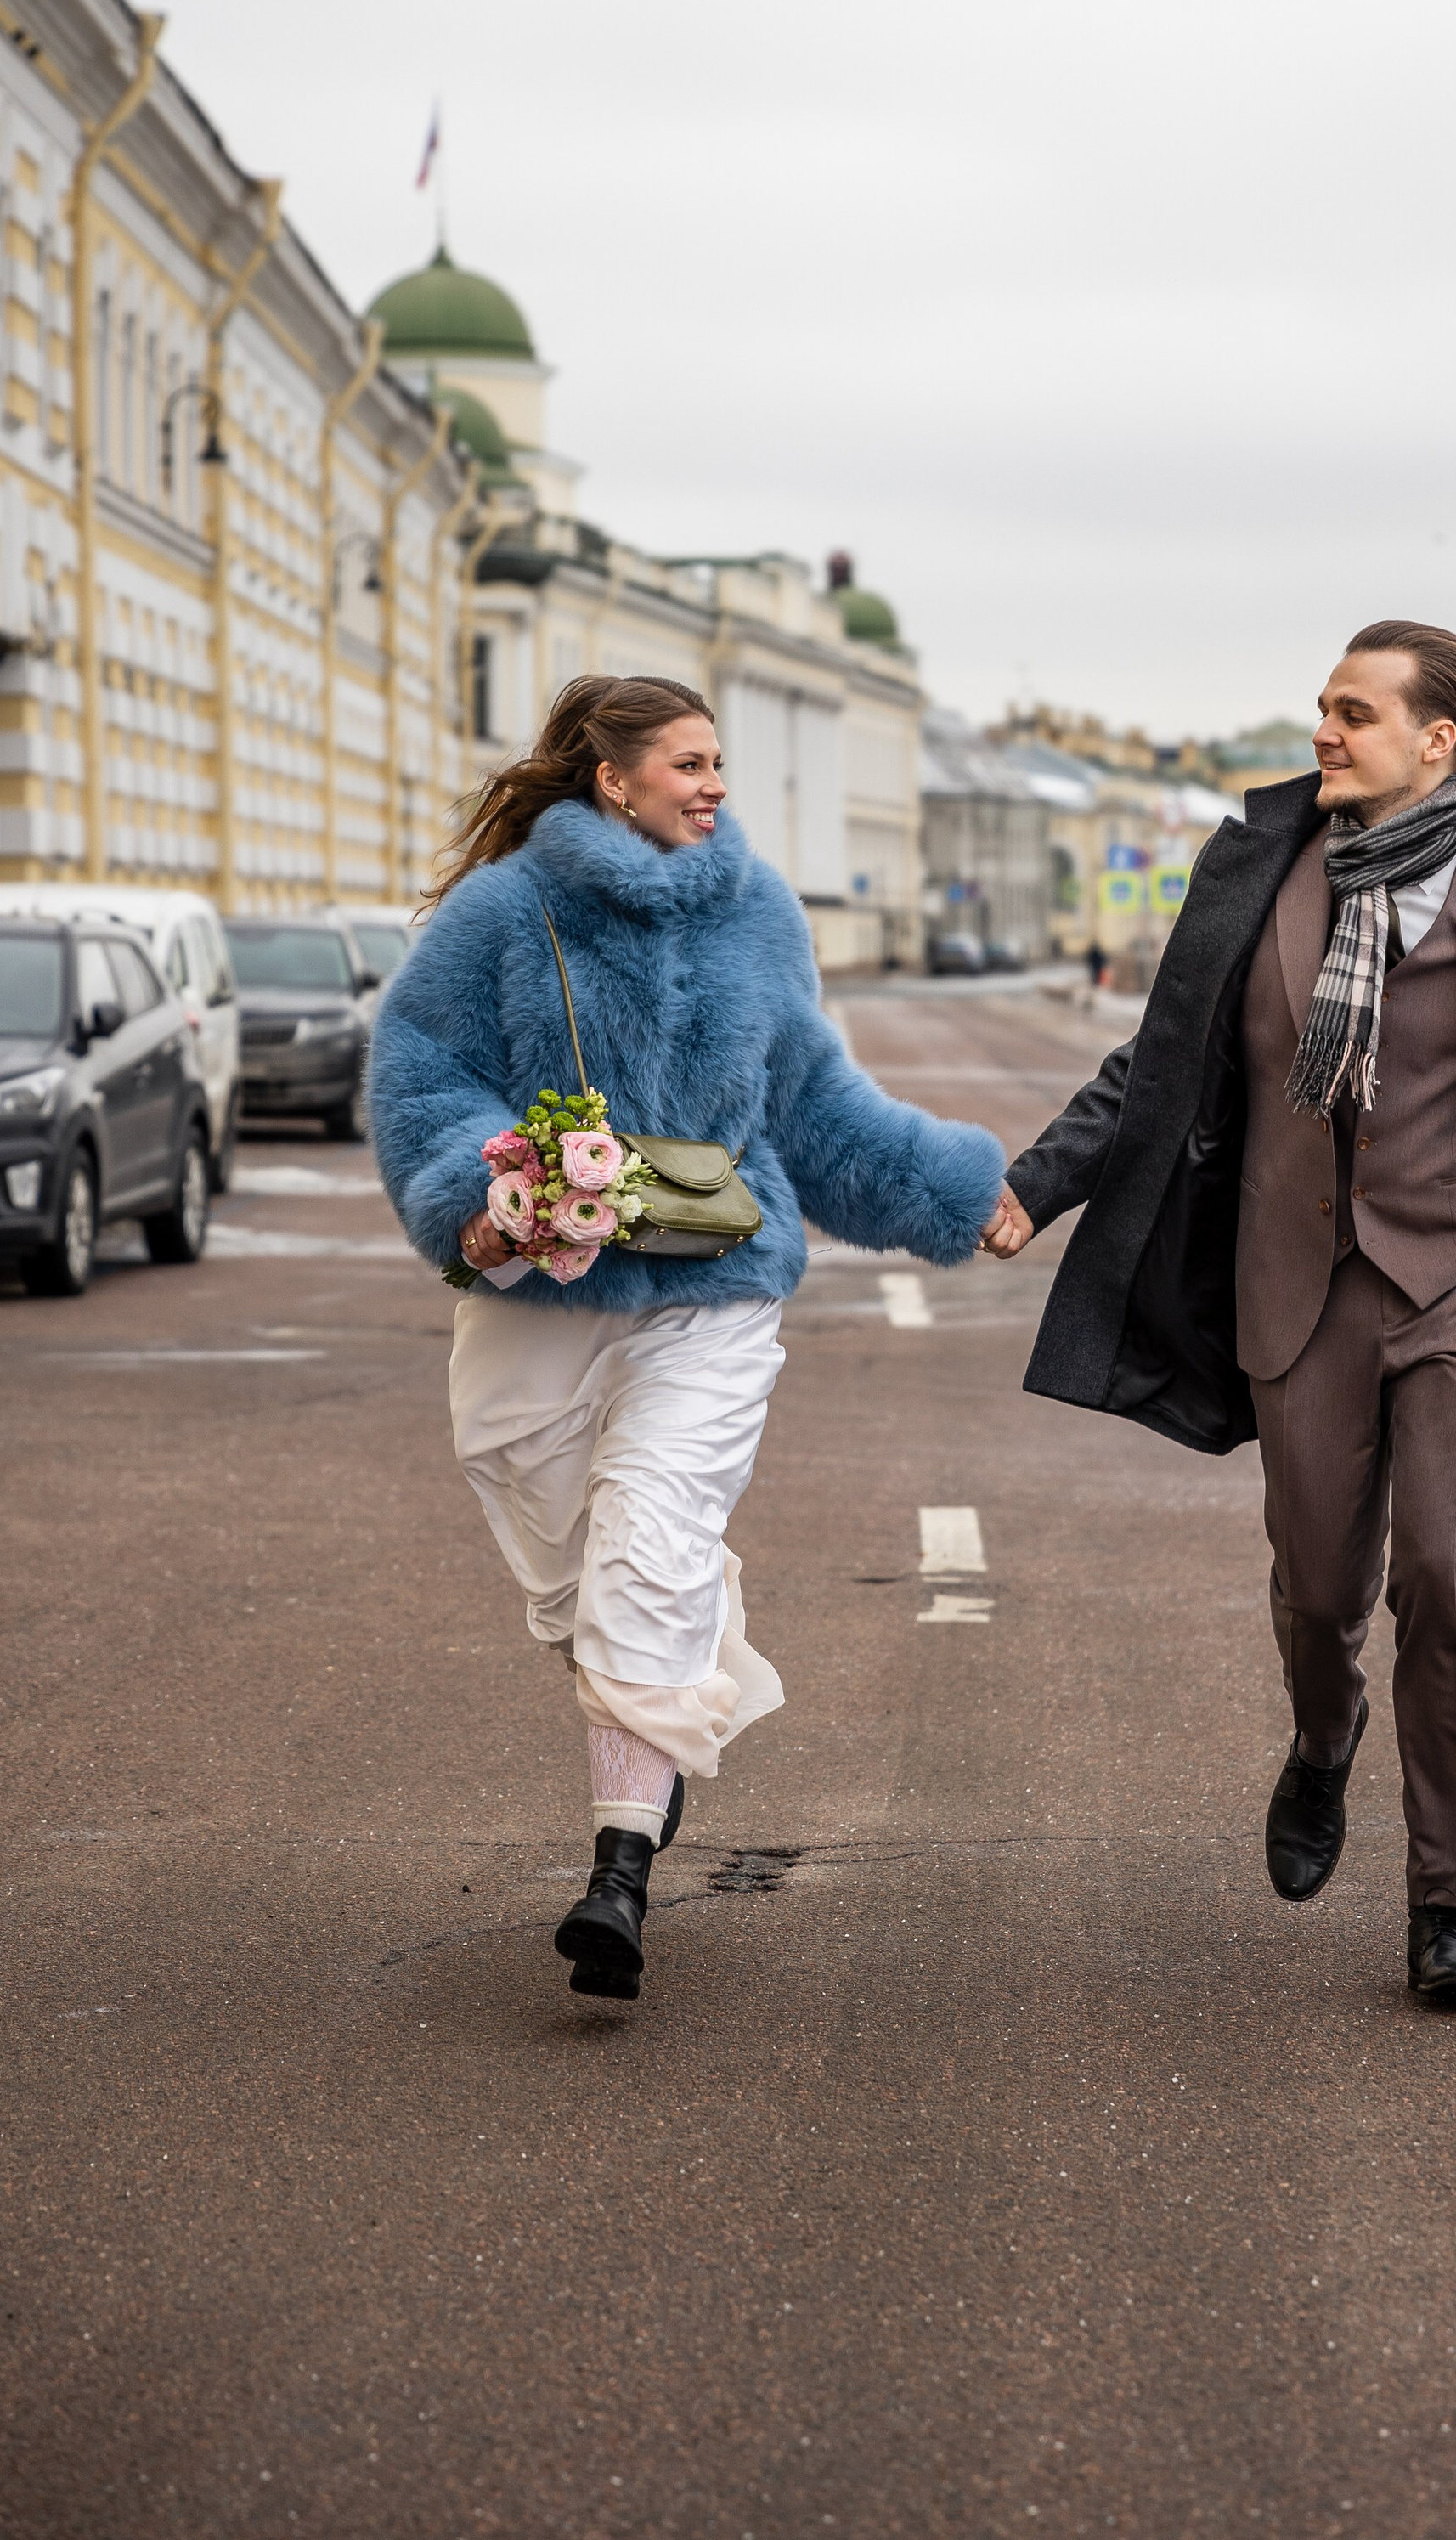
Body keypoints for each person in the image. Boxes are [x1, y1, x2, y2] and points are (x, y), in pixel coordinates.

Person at [979, 623, 1456, 2007]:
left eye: (1353, 713)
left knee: (1445, 1570)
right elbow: (1158, 1062)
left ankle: (1444, 1906)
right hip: (1296, 1286)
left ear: (1442, 742)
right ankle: (1324, 1736)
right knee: (1319, 1592)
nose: (1323, 731)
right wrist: (1032, 1183)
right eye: (1322, 706)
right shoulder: (1261, 869)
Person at [370, 674, 1005, 2004]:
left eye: (721, 763)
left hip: (716, 1285)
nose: (716, 784)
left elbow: (813, 1098)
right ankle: (662, 1685)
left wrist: (950, 1191)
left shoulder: (759, 914)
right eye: (691, 763)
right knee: (567, 1569)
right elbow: (425, 1071)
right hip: (539, 1289)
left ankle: (618, 1871)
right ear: (614, 777)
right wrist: (478, 1196)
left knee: (649, 1539)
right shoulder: (505, 912)